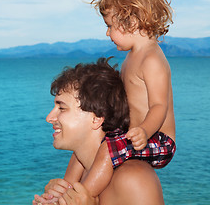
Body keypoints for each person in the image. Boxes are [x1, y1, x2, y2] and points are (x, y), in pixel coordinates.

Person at [35, 0, 176, 204]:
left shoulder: (151, 59)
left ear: (131, 21)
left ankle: (83, 195)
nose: (107, 33)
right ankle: (66, 192)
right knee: (89, 152)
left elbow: (159, 106)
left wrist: (144, 131)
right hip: (136, 134)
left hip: (158, 138)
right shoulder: (131, 58)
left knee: (108, 149)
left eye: (110, 26)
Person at [33, 58, 165, 205]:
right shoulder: (80, 174)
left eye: (62, 108)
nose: (49, 118)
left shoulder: (134, 178)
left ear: (96, 119)